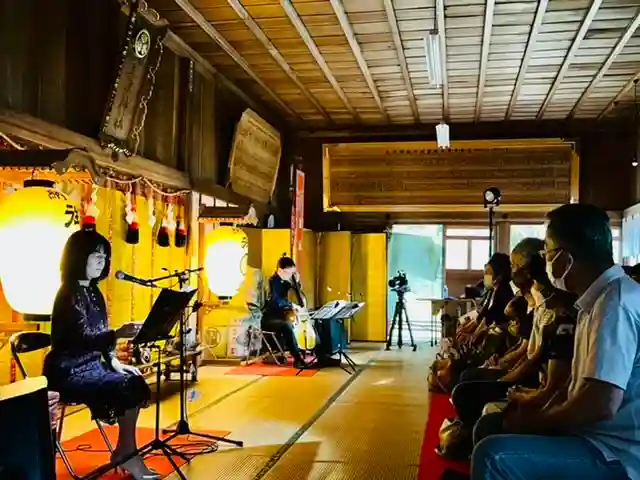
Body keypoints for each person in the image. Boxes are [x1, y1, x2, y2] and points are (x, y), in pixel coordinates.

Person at [472, 203, 639, 480]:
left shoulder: (615, 303)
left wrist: (538, 422)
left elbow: (600, 403)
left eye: (547, 253)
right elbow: (576, 385)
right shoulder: (597, 300)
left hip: (616, 454)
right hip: (595, 439)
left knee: (493, 456)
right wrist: (541, 408)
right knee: (494, 427)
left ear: (565, 258)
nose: (546, 262)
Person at [43, 230, 156, 480]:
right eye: (95, 255)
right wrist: (119, 334)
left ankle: (126, 449)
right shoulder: (68, 293)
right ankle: (128, 454)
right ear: (78, 256)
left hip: (93, 365)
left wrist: (114, 361)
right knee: (126, 386)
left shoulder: (95, 292)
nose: (101, 262)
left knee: (133, 379)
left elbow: (101, 332)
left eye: (104, 257)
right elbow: (82, 338)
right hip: (68, 370)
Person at [452, 238, 576, 429]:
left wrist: (507, 378)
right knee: (467, 382)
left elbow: (540, 368)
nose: (513, 270)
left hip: (535, 380)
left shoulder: (558, 312)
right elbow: (527, 349)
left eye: (515, 265)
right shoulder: (535, 301)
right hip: (530, 375)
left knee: (469, 392)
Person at [262, 256, 308, 369]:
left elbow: (296, 294)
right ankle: (297, 359)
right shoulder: (273, 282)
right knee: (287, 326)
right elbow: (276, 300)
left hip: (283, 315)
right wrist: (291, 305)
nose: (291, 276)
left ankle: (322, 355)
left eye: (293, 273)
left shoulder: (287, 283)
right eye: (289, 273)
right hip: (270, 317)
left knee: (308, 323)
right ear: (281, 270)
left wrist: (297, 282)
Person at [458, 253, 514, 346]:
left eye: (488, 273)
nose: (485, 277)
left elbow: (488, 320)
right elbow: (482, 315)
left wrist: (472, 335)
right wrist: (465, 328)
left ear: (499, 276)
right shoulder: (492, 291)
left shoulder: (504, 294)